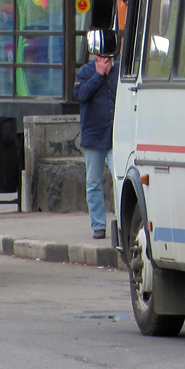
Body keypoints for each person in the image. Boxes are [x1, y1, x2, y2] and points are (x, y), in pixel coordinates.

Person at [74, 49, 118, 239]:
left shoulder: (121, 71)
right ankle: (98, 225)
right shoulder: (85, 72)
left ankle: (123, 223)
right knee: (93, 183)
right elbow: (81, 95)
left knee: (120, 180)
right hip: (94, 135)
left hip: (117, 136)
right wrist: (99, 75)